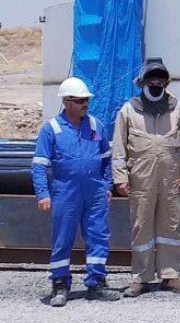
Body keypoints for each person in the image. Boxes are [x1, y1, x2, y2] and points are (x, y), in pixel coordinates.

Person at [111, 58, 180, 296]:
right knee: (141, 226)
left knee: (171, 225)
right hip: (140, 179)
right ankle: (140, 278)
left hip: (171, 178)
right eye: (152, 78)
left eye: (160, 79)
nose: (156, 83)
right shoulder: (129, 110)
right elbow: (119, 146)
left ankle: (171, 276)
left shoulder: (177, 109)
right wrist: (120, 177)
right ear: (143, 81)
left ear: (166, 82)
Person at [32, 77, 122, 306]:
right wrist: (43, 193)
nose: (85, 104)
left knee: (98, 235)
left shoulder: (95, 126)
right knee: (62, 238)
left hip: (95, 192)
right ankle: (60, 283)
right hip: (66, 192)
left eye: (86, 100)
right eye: (80, 101)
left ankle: (96, 283)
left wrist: (107, 185)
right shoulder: (52, 129)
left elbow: (106, 158)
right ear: (67, 102)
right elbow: (39, 164)